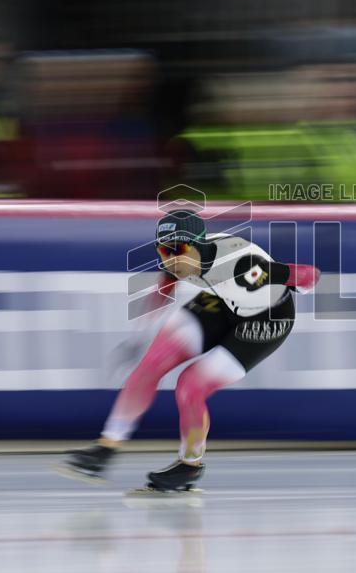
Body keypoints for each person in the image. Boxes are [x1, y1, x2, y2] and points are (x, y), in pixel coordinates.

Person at [56, 208, 320, 492]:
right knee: (150, 364)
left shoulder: (242, 266)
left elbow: (310, 275)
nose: (171, 259)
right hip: (222, 302)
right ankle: (106, 448)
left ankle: (190, 465)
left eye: (178, 249)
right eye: (163, 250)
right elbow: (165, 287)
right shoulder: (180, 261)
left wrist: (294, 286)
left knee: (190, 386)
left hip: (266, 318)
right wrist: (139, 339)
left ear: (197, 245)